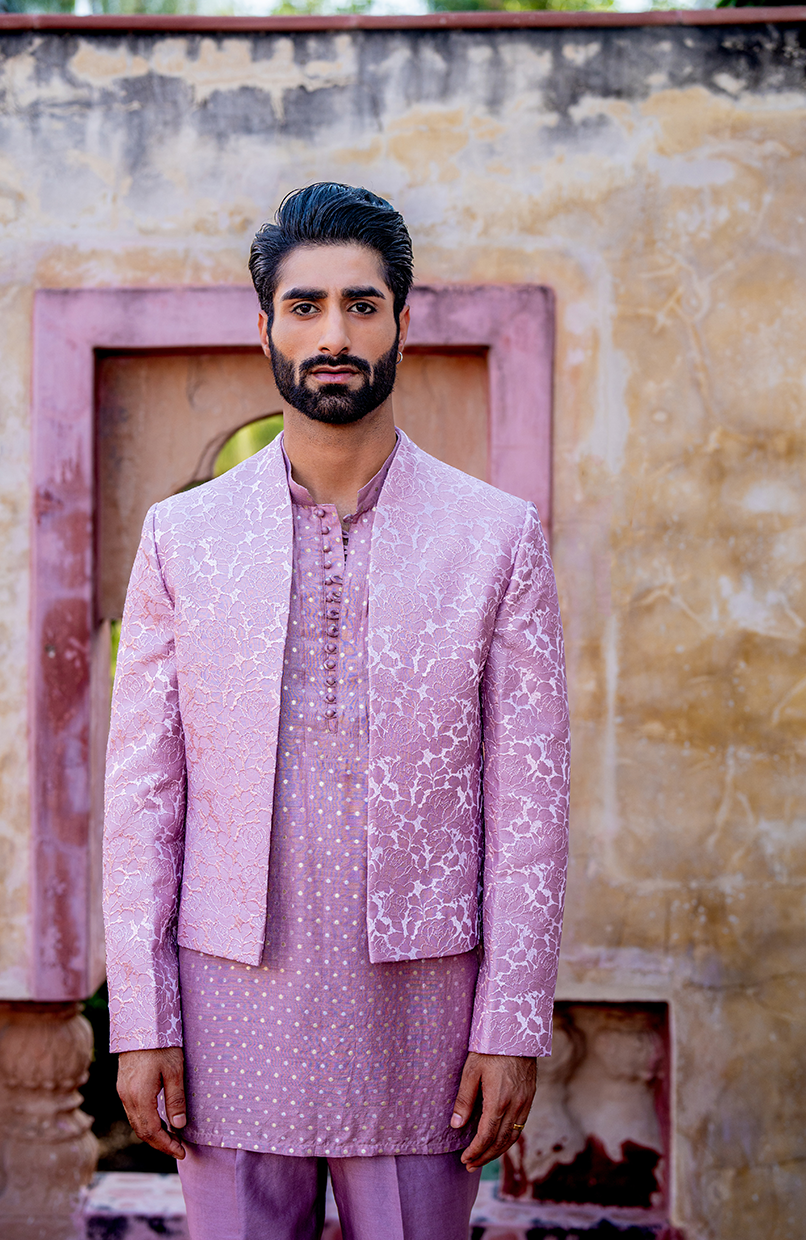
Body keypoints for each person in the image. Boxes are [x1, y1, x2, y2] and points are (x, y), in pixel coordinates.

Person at [102, 182, 569, 1240]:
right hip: (226, 1008)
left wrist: (511, 1022)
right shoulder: (185, 537)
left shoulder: (493, 537)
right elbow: (141, 799)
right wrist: (143, 1019)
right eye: (304, 305)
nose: (333, 333)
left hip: (424, 1022)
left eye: (361, 304)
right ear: (263, 324)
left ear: (403, 319)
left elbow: (531, 803)